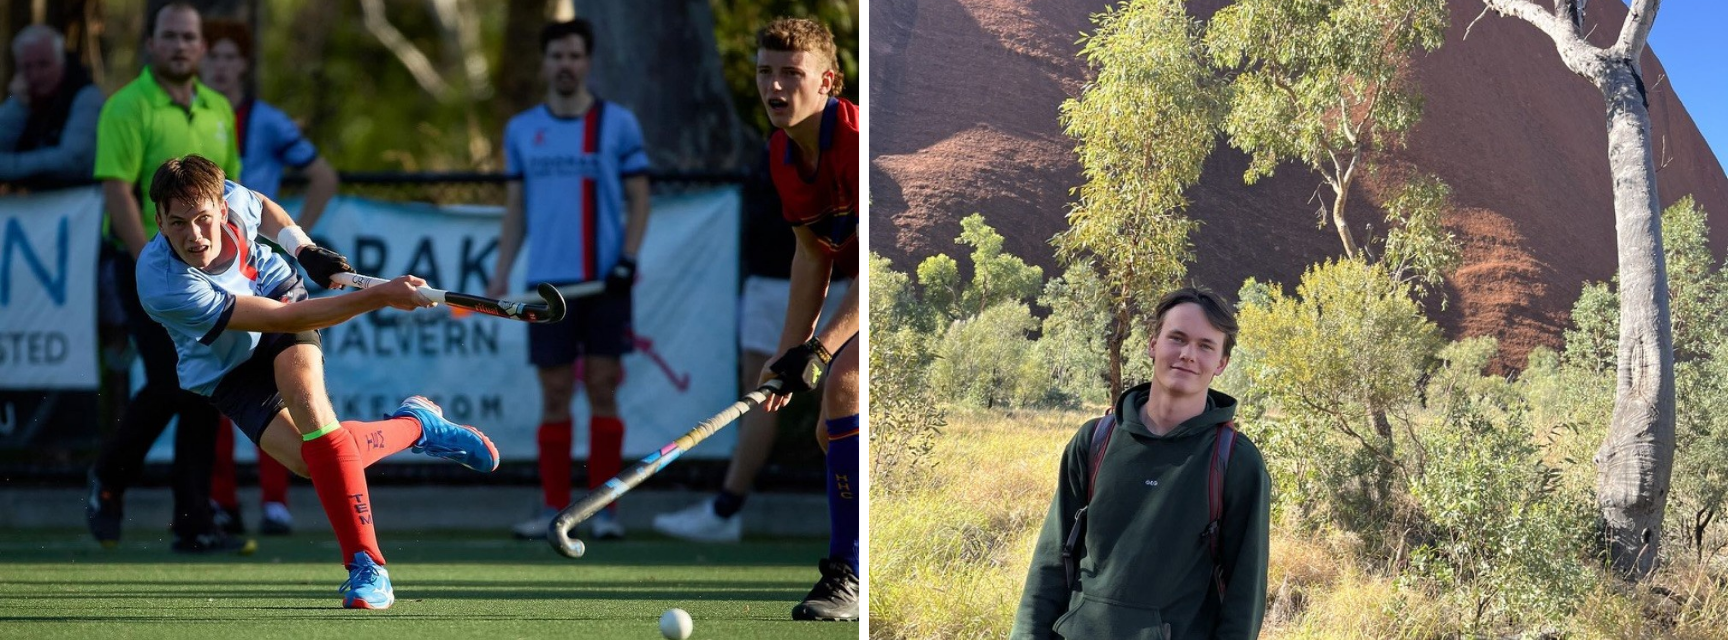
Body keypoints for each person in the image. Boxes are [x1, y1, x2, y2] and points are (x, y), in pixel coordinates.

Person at [137, 153, 499, 609]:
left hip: (275, 292)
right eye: (178, 224)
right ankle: (419, 425)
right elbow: (291, 317)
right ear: (159, 220)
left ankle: (369, 567)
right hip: (225, 365)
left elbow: (264, 208)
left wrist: (303, 248)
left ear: (221, 208)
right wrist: (380, 295)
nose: (193, 235)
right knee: (316, 462)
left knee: (312, 410)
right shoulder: (161, 282)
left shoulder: (231, 196)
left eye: (203, 220)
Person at [1011, 288, 1271, 639]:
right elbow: (1049, 565)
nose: (1187, 354)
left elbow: (1245, 598)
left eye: (1205, 345)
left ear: (1221, 363)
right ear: (1152, 344)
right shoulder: (1095, 441)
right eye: (1176, 338)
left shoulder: (1236, 462)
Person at [487, 19, 651, 542]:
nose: (566, 65)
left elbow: (641, 198)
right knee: (554, 393)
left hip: (604, 286)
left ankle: (605, 510)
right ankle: (554, 508)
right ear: (544, 63)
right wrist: (500, 271)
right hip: (546, 288)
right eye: (556, 56)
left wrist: (627, 257)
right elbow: (516, 209)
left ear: (588, 62)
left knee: (603, 388)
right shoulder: (521, 130)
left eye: (575, 56)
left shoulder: (619, 124)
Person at [88, 2, 243, 552]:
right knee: (170, 382)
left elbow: (232, 203)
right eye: (169, 36)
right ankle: (108, 481)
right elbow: (119, 195)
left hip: (207, 268)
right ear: (151, 44)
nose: (180, 45)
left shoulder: (218, 109)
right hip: (143, 267)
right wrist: (151, 270)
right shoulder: (126, 108)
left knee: (205, 386)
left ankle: (194, 521)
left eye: (189, 37)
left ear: (201, 47)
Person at [651, 152, 852, 543]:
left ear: (826, 85)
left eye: (789, 82)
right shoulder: (777, 143)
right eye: (767, 83)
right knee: (764, 393)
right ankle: (727, 509)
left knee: (839, 401)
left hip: (836, 283)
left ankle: (849, 525)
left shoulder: (844, 138)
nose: (775, 87)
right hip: (772, 279)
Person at [200, 17, 342, 536]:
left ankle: (276, 504)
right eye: (213, 57)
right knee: (221, 392)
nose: (221, 67)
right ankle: (220, 502)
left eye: (231, 58)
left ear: (243, 66)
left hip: (262, 272)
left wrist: (302, 245)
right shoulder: (194, 118)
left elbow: (322, 177)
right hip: (209, 274)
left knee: (286, 391)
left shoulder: (268, 121)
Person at [752, 17, 861, 622]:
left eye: (792, 74)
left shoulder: (856, 138)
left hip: (920, 276)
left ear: (828, 81)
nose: (776, 86)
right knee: (833, 434)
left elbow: (874, 264)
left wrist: (819, 353)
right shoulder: (781, 152)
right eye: (766, 72)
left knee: (842, 388)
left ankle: (847, 574)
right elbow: (813, 253)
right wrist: (787, 352)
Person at [0, 24, 104, 190]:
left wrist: (8, 166)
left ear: (61, 61)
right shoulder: (22, 97)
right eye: (27, 67)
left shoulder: (86, 96)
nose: (35, 75)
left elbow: (72, 160)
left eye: (43, 65)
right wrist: (18, 105)